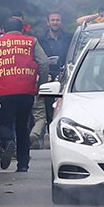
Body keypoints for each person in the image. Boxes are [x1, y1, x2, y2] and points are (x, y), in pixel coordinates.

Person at [0, 17, 49, 172]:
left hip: (4, 91)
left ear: (4, 30)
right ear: (22, 29)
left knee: (4, 123)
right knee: (23, 127)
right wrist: (42, 85)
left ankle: (8, 142)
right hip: (26, 92)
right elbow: (44, 63)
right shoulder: (31, 41)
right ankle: (23, 165)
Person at [31, 10, 72, 148]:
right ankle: (48, 136)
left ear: (61, 22)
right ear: (47, 23)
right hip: (46, 77)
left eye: (58, 20)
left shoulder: (69, 39)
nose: (55, 22)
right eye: (53, 20)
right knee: (47, 106)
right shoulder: (40, 40)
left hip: (66, 76)